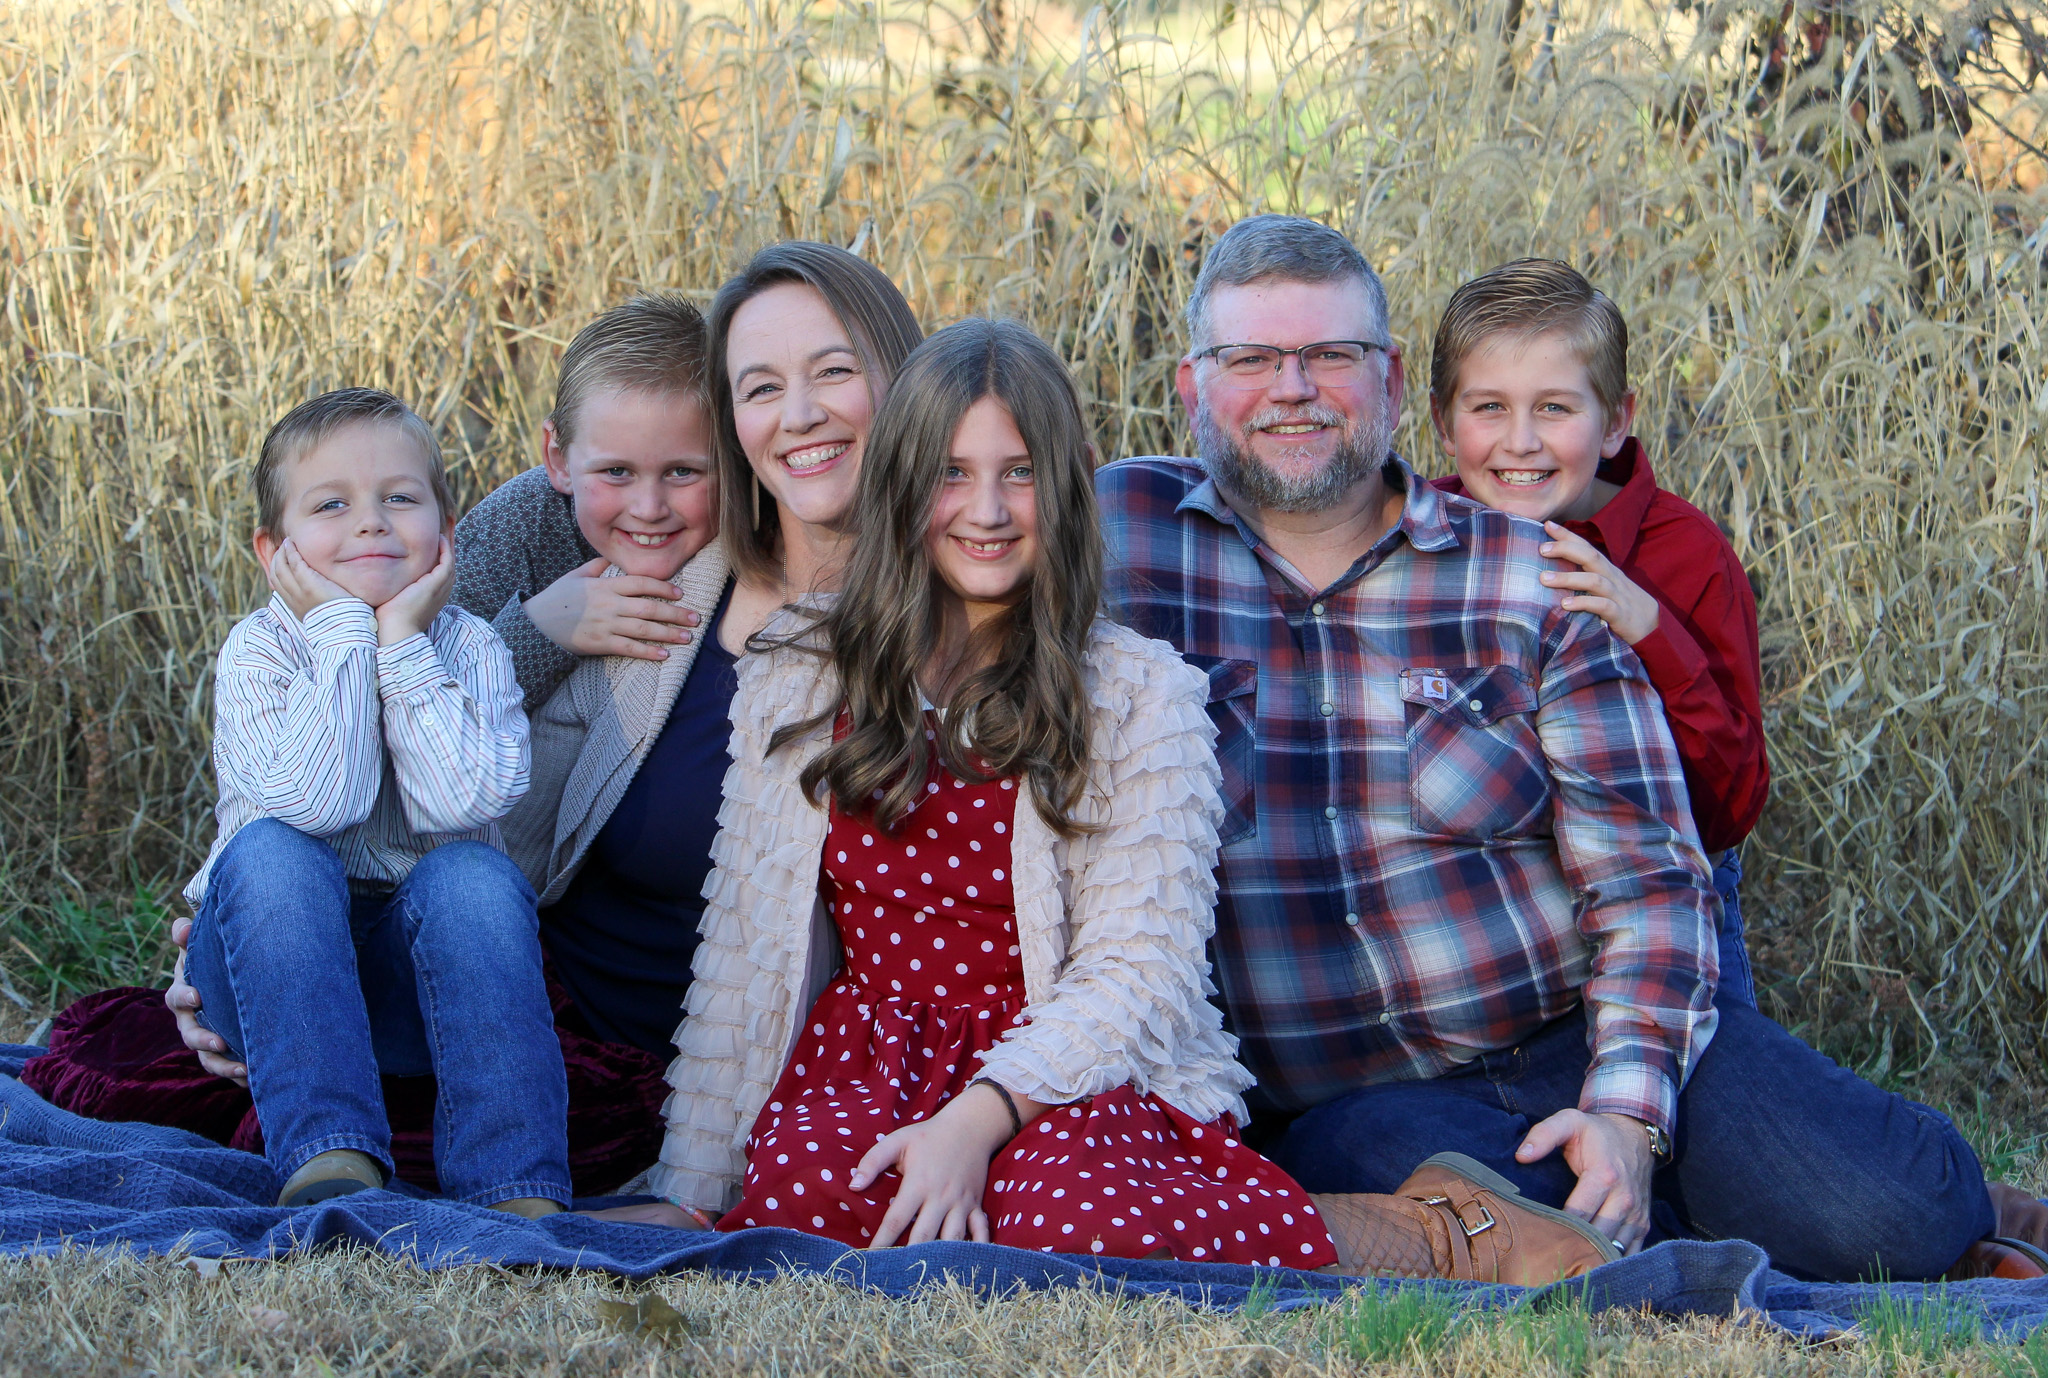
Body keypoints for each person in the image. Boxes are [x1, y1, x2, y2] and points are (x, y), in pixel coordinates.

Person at [1096, 213, 2037, 1281]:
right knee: (1465, 1219)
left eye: (1330, 355)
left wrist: (1627, 1115)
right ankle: (1671, 1224)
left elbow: (1647, 879)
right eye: (1251, 358)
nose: (1291, 387)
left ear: (1394, 380)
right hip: (1359, 1100)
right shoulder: (1117, 536)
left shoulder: (1529, 577)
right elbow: (937, 546)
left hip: (1577, 1028)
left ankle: (1907, 1199)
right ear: (1190, 383)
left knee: (1888, 1215)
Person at [647, 317, 1625, 1281]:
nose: (986, 508)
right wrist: (694, 1180)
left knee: (1065, 1217)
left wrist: (977, 1117)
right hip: (871, 1055)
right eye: (951, 471)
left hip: (1071, 1064)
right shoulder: (801, 672)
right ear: (901, 481)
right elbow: (743, 949)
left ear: (1068, 481)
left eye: (1019, 471)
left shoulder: (1134, 692)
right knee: (803, 1209)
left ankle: (1437, 1234)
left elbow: (1135, 971)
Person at [162, 250, 926, 1179]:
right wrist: (249, 922)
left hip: (604, 1016)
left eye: (685, 472)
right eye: (767, 388)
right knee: (232, 1015)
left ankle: (501, 1178)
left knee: (460, 933)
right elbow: (354, 771)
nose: (648, 506)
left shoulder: (927, 596)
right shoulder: (553, 527)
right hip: (491, 966)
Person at [179, 387, 566, 1214]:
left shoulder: (472, 648)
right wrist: (343, 635)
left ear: (447, 533)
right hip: (269, 974)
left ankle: (515, 1185)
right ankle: (330, 1153)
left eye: (400, 498)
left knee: (473, 874)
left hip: (415, 981)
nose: (371, 523)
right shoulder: (257, 653)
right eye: (331, 505)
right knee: (275, 851)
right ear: (273, 550)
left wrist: (400, 645)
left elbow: (465, 803)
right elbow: (318, 806)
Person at [1424, 259, 1766, 1007]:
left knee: (1715, 1090)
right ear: (1442, 422)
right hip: (1500, 909)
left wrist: (1649, 628)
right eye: (1488, 408)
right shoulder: (1420, 545)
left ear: (1615, 420)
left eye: (1554, 408)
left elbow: (1731, 808)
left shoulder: (1687, 556)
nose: (1521, 442)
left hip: (1671, 886)